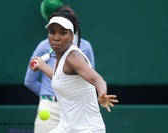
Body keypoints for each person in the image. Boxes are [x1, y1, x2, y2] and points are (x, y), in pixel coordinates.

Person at [30, 9, 118, 133]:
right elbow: (59, 79)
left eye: (62, 33)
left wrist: (102, 93)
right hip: (66, 128)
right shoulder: (62, 57)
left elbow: (97, 78)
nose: (56, 38)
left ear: (72, 36)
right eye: (52, 32)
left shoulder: (73, 57)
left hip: (88, 130)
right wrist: (41, 65)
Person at [24, 4, 95, 133]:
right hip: (49, 108)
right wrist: (49, 95)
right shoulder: (43, 46)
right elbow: (29, 81)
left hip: (75, 110)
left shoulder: (85, 47)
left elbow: (90, 81)